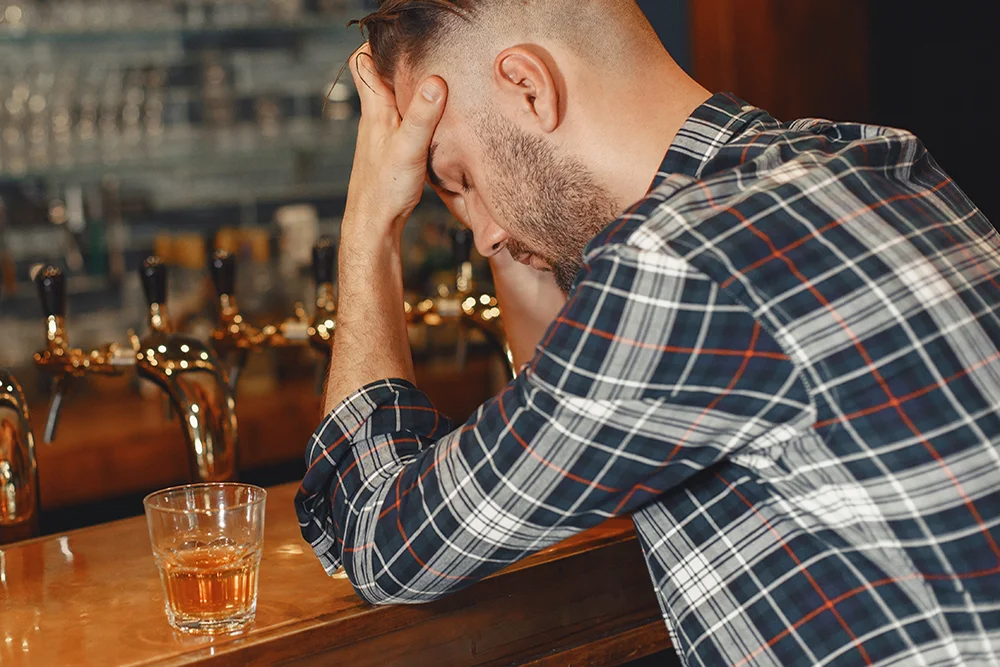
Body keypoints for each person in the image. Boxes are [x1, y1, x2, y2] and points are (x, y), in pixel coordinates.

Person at [294, 1, 1000, 664]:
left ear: (529, 87)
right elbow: (567, 426)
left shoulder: (680, 259)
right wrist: (512, 209)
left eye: (458, 178)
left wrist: (367, 225)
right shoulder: (876, 162)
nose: (484, 235)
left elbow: (381, 538)